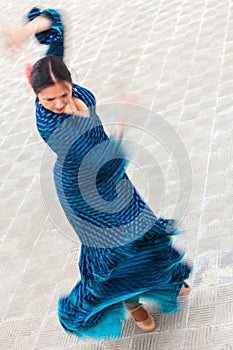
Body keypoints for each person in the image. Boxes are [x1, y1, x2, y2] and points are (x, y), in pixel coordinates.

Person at [6, 7, 192, 340]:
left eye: (65, 93)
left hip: (112, 177)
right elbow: (108, 159)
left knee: (143, 229)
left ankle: (163, 279)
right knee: (114, 247)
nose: (60, 102)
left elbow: (56, 25)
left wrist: (28, 28)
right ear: (35, 93)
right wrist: (125, 115)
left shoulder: (51, 72)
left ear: (68, 80)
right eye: (49, 99)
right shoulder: (53, 127)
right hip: (87, 186)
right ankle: (133, 304)